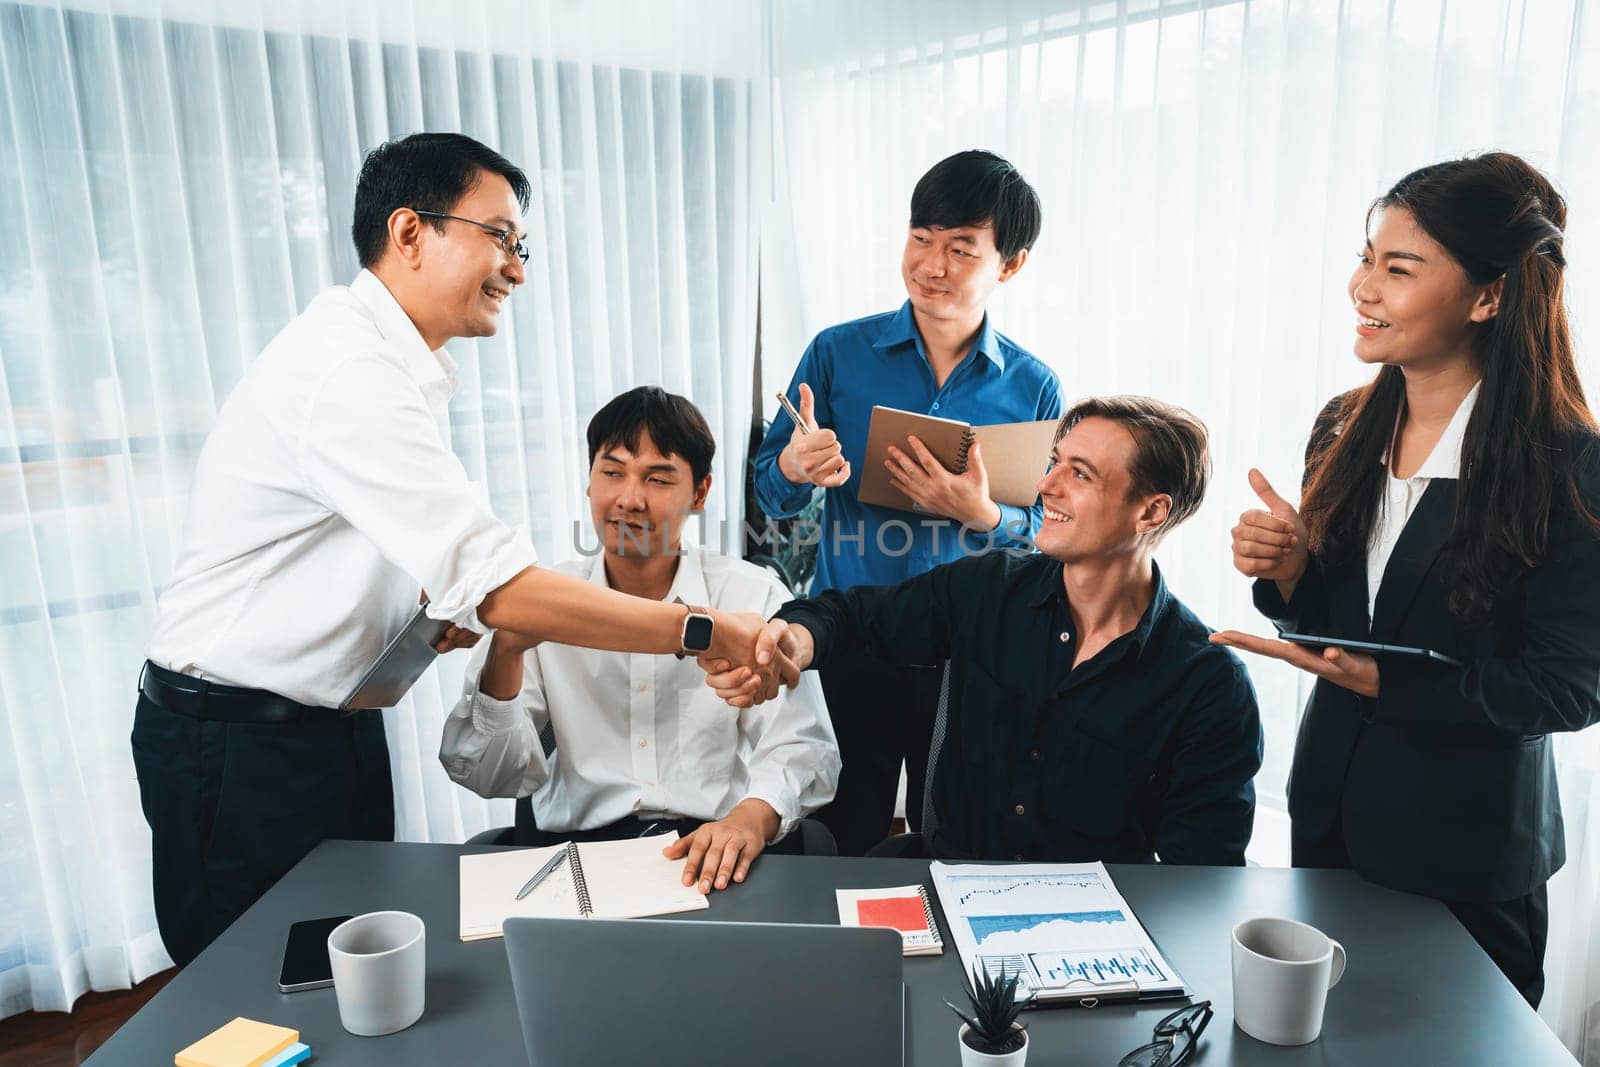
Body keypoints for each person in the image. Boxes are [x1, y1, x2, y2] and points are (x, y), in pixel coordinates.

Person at [133, 134, 789, 966]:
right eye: (502, 237)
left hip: (323, 733)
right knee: (248, 980)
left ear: (700, 490)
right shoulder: (350, 373)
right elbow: (499, 592)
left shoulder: (399, 373)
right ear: (411, 233)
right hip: (238, 746)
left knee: (331, 970)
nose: (517, 267)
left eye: (522, 246)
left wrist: (416, 611)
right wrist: (702, 632)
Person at [1214, 152, 1600, 1007]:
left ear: (1488, 296)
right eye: (1365, 257)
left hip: (1468, 859)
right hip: (1330, 825)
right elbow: (1333, 624)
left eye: (1398, 268)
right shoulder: (1343, 427)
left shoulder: (1570, 464)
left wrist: (1392, 682)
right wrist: (1290, 573)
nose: (1364, 286)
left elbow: (1569, 688)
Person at [721, 397, 1262, 865]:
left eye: (1080, 473)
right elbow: (853, 616)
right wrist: (794, 639)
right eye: (1054, 463)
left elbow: (1202, 874)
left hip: (1094, 934)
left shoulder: (1210, 683)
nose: (1045, 486)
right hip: (950, 890)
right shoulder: (990, 587)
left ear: (1151, 512)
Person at [751, 149, 1063, 854]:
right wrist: (796, 468)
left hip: (964, 648)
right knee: (835, 822)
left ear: (1008, 266)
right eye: (921, 238)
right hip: (848, 631)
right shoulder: (836, 354)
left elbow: (1050, 532)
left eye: (961, 248)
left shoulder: (1036, 388)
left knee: (948, 830)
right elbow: (769, 493)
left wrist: (980, 512)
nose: (932, 264)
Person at [440, 387, 840, 893]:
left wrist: (750, 819)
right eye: (612, 472)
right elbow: (485, 775)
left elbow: (804, 746)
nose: (629, 498)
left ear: (700, 493)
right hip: (578, 860)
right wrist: (507, 649)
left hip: (714, 852)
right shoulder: (540, 599)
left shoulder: (750, 594)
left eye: (657, 477)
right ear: (588, 483)